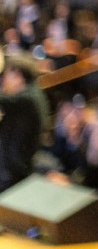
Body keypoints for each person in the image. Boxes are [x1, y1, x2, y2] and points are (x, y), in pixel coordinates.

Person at [0, 55, 42, 192]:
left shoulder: (28, 98)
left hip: (16, 168)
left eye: (6, 75)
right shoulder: (32, 92)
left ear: (17, 74)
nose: (3, 80)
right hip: (14, 162)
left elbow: (5, 101)